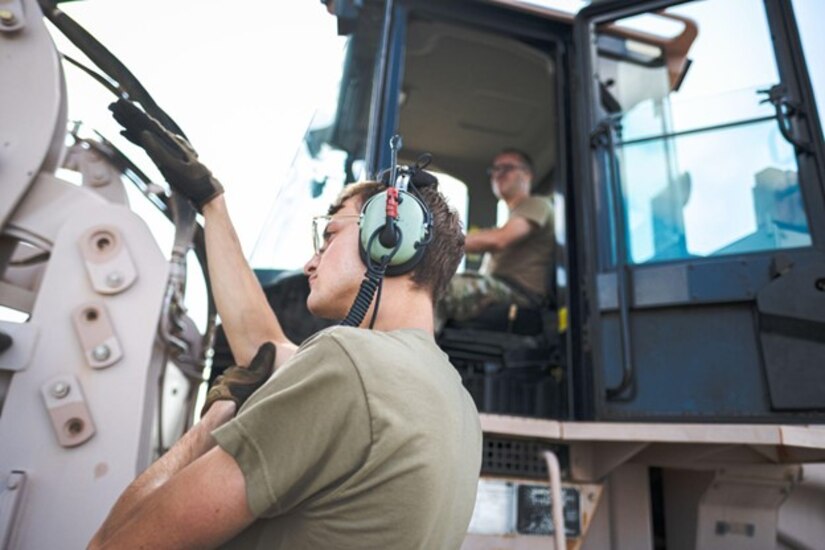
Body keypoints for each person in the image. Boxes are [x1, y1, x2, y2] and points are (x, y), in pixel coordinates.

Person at [89, 99, 482, 549]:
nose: (309, 263)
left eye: (329, 236)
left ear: (388, 237)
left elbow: (114, 545)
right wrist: (212, 205)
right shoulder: (454, 404)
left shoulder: (349, 363)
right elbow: (268, 351)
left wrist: (213, 424)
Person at [438, 148, 554, 329]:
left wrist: (440, 241)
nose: (498, 174)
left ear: (527, 174)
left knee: (441, 288)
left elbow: (500, 239)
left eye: (507, 168)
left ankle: (418, 351)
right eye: (494, 170)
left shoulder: (537, 204)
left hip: (520, 293)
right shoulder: (509, 219)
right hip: (500, 288)